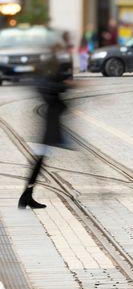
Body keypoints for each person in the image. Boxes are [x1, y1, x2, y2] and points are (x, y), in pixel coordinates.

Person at [18, 39, 74, 209]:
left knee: (41, 159)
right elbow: (49, 86)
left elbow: (55, 83)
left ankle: (27, 196)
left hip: (52, 119)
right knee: (40, 159)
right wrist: (66, 85)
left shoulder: (53, 64)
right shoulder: (49, 65)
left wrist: (67, 84)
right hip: (50, 121)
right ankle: (25, 196)